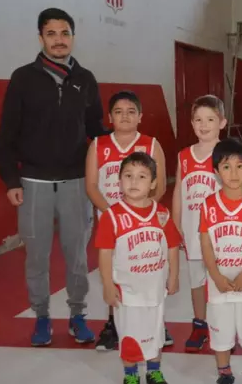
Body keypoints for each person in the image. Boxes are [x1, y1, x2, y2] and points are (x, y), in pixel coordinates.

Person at [0, 7, 109, 346]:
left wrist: (125, 143)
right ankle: (42, 316)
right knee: (37, 256)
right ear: (41, 38)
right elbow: (6, 134)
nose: (59, 40)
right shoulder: (23, 78)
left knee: (77, 255)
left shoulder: (85, 79)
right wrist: (11, 180)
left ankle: (77, 315)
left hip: (76, 182)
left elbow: (95, 130)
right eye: (51, 34)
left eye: (64, 33)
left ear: (73, 37)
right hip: (34, 183)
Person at [87, 90, 168, 351]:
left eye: (131, 112)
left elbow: (160, 185)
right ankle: (114, 324)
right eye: (118, 112)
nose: (125, 116)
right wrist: (115, 215)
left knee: (147, 269)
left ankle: (155, 321)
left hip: (144, 222)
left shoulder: (151, 144)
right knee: (115, 273)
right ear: (110, 117)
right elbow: (91, 186)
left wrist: (139, 212)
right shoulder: (98, 145)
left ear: (140, 116)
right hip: (112, 223)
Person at [95, 152, 181, 384]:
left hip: (155, 290)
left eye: (142, 176)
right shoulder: (112, 216)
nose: (134, 181)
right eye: (128, 175)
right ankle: (131, 375)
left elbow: (173, 246)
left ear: (153, 183)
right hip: (127, 292)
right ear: (119, 181)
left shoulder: (161, 214)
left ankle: (154, 371)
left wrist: (174, 276)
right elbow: (104, 253)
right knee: (129, 336)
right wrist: (107, 285)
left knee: (156, 334)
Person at [200, 138, 242, 384]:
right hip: (218, 284)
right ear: (216, 170)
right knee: (220, 332)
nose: (233, 173)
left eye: (240, 166)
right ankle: (224, 371)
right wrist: (216, 276)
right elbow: (206, 244)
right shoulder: (209, 204)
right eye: (226, 167)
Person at [172, 95, 226, 353]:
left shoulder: (227, 153)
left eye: (210, 120)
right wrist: (176, 224)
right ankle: (200, 324)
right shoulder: (184, 156)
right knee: (196, 280)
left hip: (221, 232)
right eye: (198, 120)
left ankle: (222, 325)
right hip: (193, 229)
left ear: (222, 122)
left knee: (220, 278)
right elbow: (178, 191)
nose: (204, 125)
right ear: (192, 123)